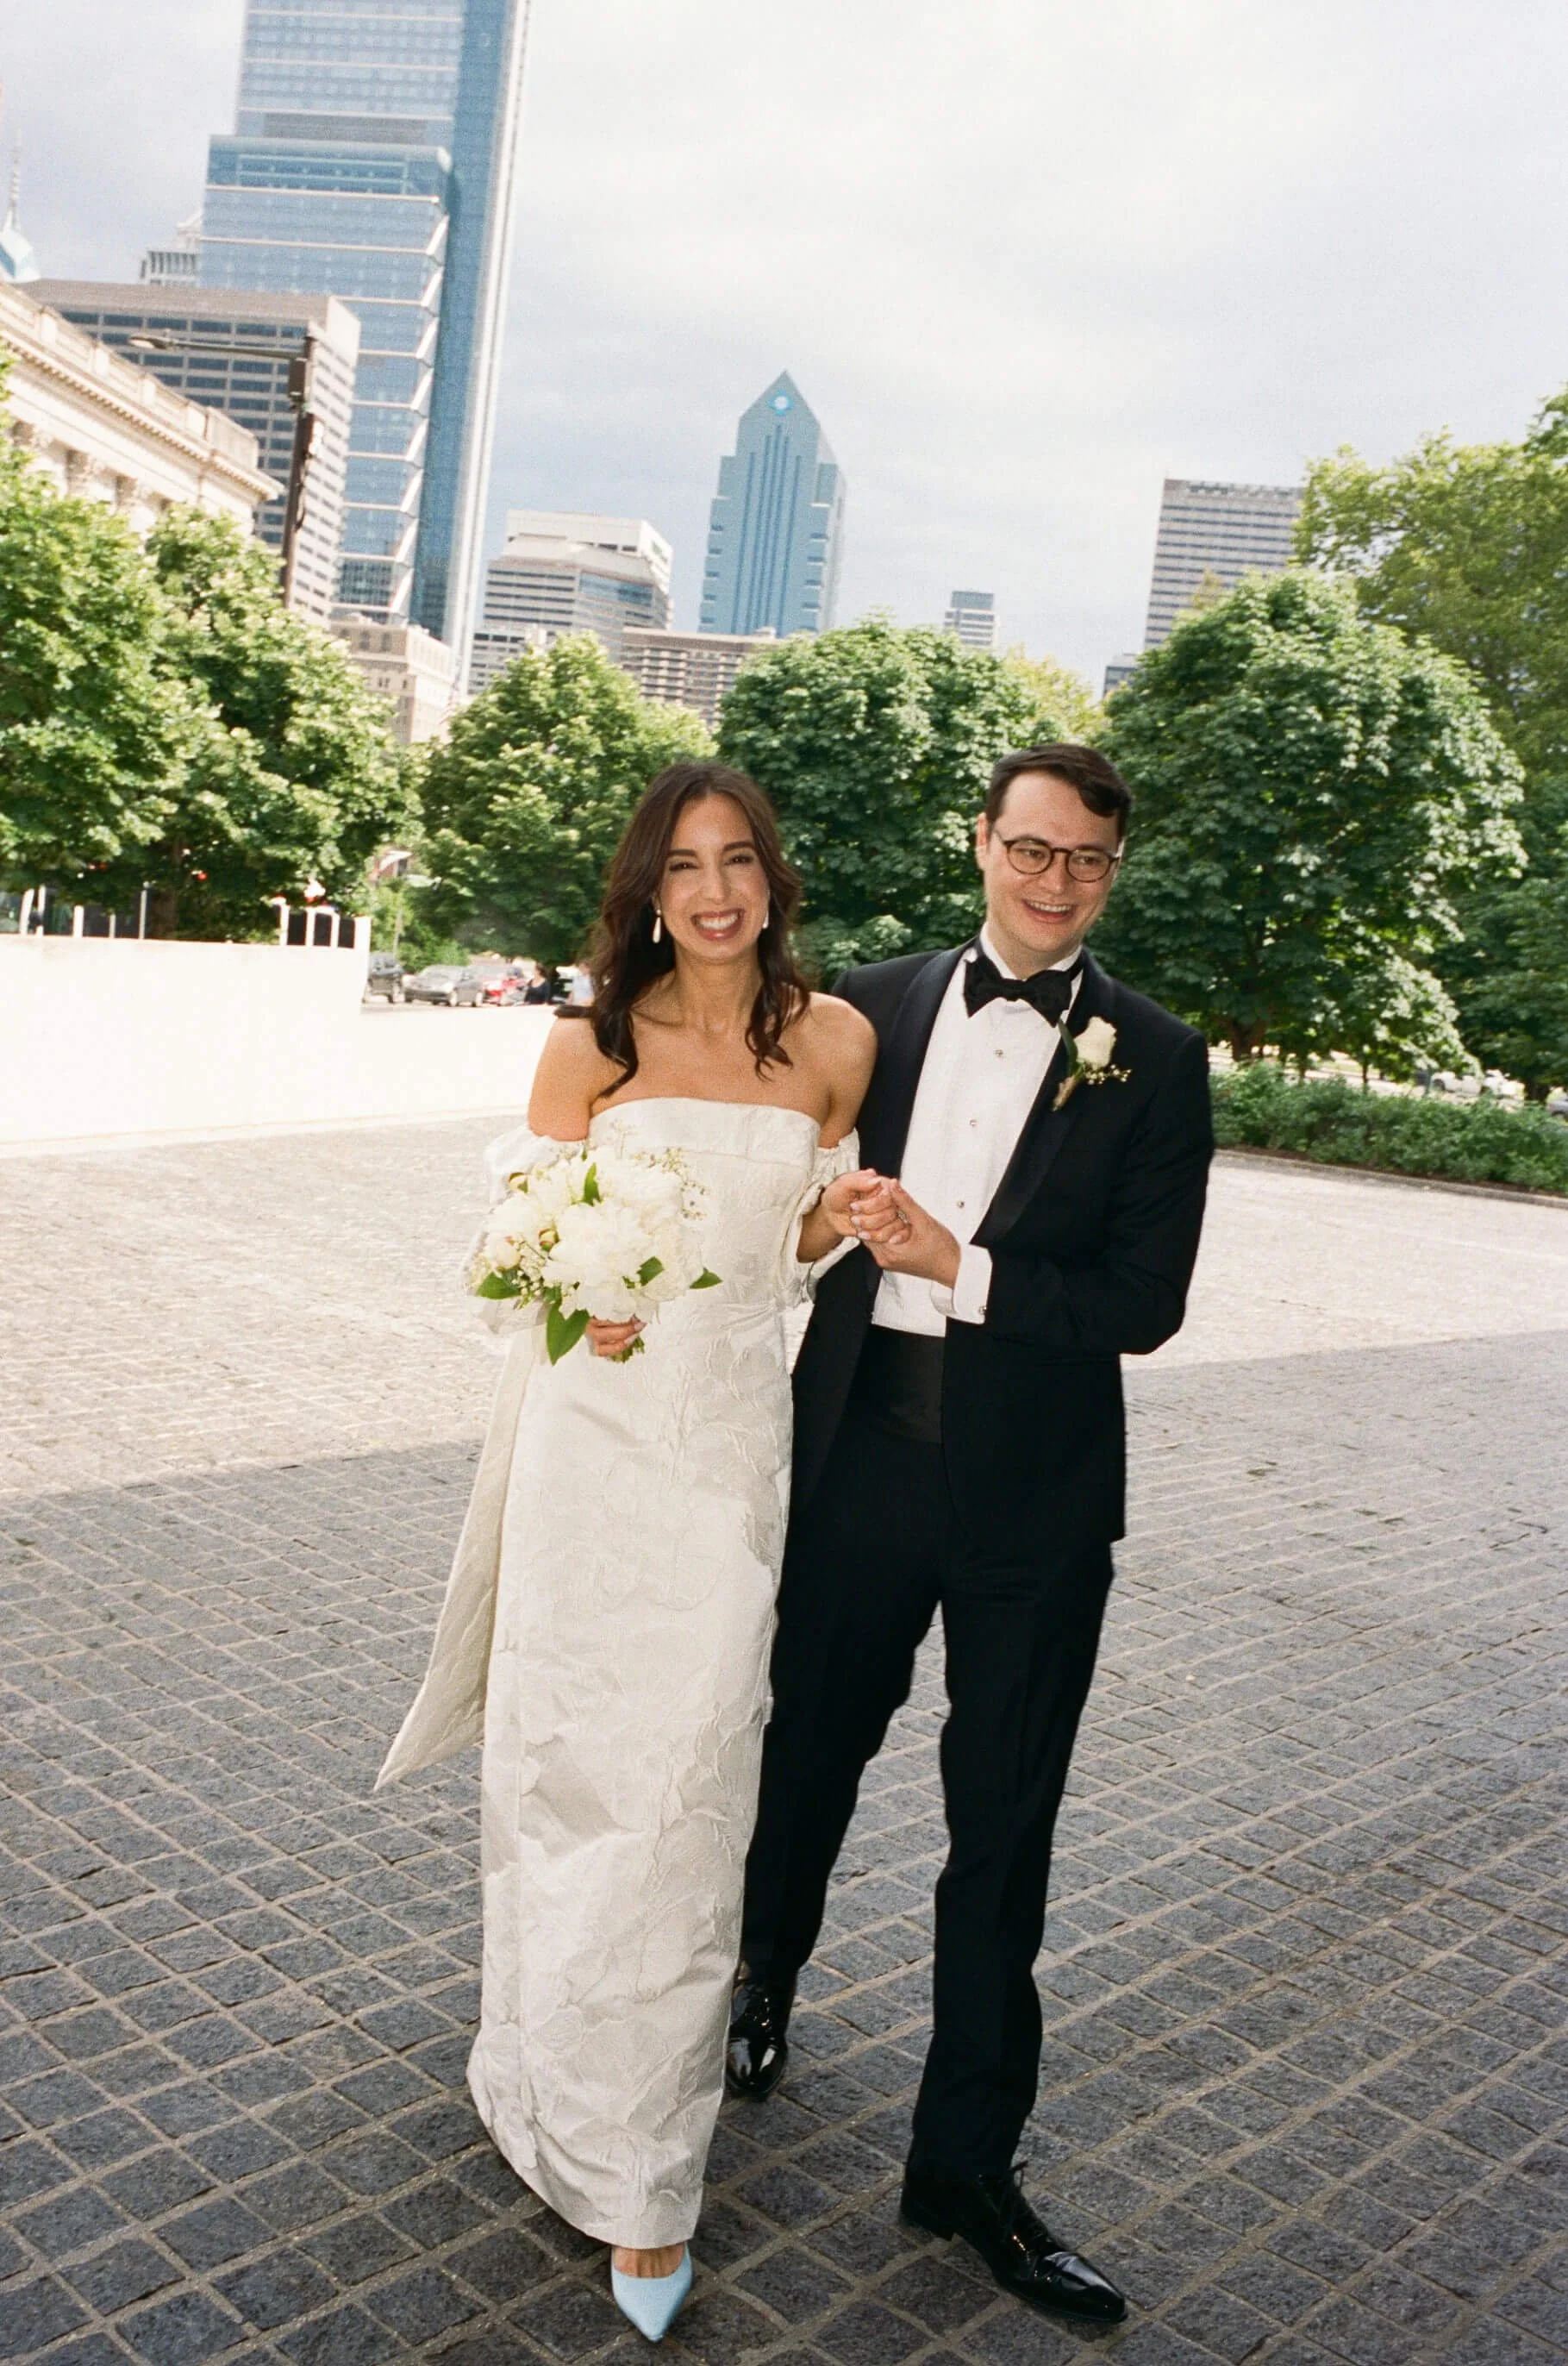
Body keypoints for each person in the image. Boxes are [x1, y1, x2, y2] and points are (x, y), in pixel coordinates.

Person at [378, 761, 876, 2344]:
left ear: (771, 876)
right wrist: (567, 1288)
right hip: (590, 1447)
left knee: (688, 1788)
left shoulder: (837, 1042)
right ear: (645, 893)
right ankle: (545, 2075)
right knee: (563, 1767)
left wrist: (834, 1220)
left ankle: (648, 2170)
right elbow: (521, 1230)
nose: (712, 891)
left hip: (729, 1460)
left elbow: (778, 1248)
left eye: (736, 861)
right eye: (682, 868)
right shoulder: (587, 1040)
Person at [728, 744, 1215, 2330]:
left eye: (1085, 859)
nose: (1054, 879)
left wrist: (966, 1261)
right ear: (982, 844)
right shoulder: (863, 1004)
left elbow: (1143, 1306)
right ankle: (756, 1989)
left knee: (1003, 1828)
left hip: (1034, 1504)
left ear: (1111, 870)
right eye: (1030, 848)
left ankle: (963, 2168)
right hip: (859, 1456)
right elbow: (760, 1200)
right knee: (800, 1755)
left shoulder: (1158, 1057)